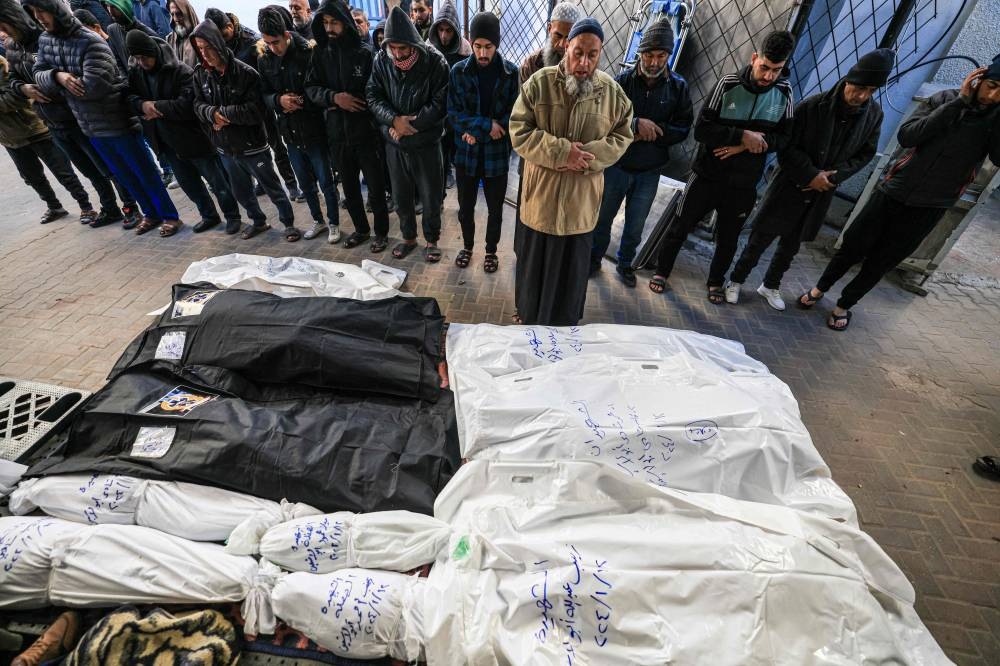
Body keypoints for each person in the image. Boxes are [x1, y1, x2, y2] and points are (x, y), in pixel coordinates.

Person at [800, 56, 1000, 331]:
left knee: (882, 260)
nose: (993, 95)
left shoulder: (995, 118)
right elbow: (908, 136)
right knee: (852, 246)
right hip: (894, 190)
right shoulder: (944, 100)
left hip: (932, 204)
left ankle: (844, 305)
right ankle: (820, 288)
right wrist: (959, 103)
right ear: (977, 79)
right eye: (991, 85)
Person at [727, 49, 890, 310]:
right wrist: (810, 174)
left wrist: (830, 178)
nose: (861, 96)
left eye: (869, 91)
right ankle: (735, 280)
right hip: (789, 185)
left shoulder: (873, 115)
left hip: (822, 190)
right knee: (759, 240)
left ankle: (770, 285)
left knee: (791, 246)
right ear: (848, 80)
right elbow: (786, 145)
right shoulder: (813, 106)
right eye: (858, 88)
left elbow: (865, 154)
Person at [649, 30, 795, 303]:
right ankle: (661, 271)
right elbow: (703, 129)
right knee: (681, 226)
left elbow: (785, 138)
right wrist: (742, 136)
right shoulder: (728, 84)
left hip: (744, 183)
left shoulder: (784, 92)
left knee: (729, 239)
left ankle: (715, 282)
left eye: (776, 70)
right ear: (754, 58)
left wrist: (747, 143)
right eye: (764, 67)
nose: (768, 76)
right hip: (707, 175)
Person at [510, 17, 633, 325]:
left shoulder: (612, 93)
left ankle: (564, 328)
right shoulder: (539, 84)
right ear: (566, 46)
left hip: (580, 205)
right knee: (534, 270)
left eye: (592, 55)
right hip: (541, 201)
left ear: (601, 53)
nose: (584, 62)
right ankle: (528, 318)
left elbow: (623, 135)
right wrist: (563, 152)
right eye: (578, 52)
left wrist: (588, 157)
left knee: (570, 275)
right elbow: (519, 132)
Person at [27, 0, 182, 235]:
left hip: (116, 120)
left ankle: (169, 216)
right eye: (34, 12)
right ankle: (150, 214)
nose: (38, 17)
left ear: (55, 11)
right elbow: (37, 75)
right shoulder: (46, 41)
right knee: (124, 176)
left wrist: (57, 89)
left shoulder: (89, 40)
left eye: (42, 11)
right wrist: (59, 76)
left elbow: (93, 86)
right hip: (89, 126)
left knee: (144, 172)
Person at [0, 0, 135, 227]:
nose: (3, 33)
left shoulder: (45, 39)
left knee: (107, 167)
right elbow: (13, 78)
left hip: (75, 115)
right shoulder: (13, 47)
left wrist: (47, 82)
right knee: (89, 170)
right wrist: (23, 88)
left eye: (5, 26)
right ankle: (109, 208)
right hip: (52, 121)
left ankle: (130, 206)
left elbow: (70, 76)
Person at [590, 18, 693, 287]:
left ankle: (625, 265)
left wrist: (656, 130)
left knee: (635, 225)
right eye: (649, 55)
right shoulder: (622, 82)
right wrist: (635, 124)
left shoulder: (678, 87)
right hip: (617, 165)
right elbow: (603, 119)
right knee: (602, 219)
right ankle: (593, 260)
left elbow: (683, 127)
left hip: (650, 170)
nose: (654, 62)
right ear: (640, 53)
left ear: (669, 55)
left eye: (661, 55)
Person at [190, 18, 299, 240]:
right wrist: (211, 114)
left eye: (208, 47)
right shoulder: (200, 73)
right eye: (200, 49)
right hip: (225, 147)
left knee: (272, 188)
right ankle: (258, 221)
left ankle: (288, 224)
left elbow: (257, 110)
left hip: (252, 146)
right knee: (241, 191)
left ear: (218, 44)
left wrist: (224, 115)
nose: (205, 53)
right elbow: (197, 104)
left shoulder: (246, 73)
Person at [125, 29, 243, 233]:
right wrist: (143, 105)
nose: (141, 61)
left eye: (144, 57)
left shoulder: (180, 71)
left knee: (217, 183)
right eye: (137, 58)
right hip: (165, 141)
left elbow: (187, 106)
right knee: (190, 185)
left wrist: (156, 108)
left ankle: (233, 216)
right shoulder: (137, 72)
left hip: (192, 138)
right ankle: (209, 216)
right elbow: (129, 98)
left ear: (153, 52)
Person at [366, 6, 449, 262]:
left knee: (430, 195)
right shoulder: (382, 59)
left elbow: (440, 102)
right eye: (395, 49)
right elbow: (373, 94)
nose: (399, 54)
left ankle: (432, 240)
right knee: (401, 197)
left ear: (413, 43)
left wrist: (411, 126)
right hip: (395, 141)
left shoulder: (435, 61)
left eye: (404, 49)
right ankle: (408, 238)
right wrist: (393, 121)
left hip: (425, 142)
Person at [307, 0, 390, 251]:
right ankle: (361, 230)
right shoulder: (319, 53)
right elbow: (311, 88)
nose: (330, 28)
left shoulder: (364, 53)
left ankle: (381, 233)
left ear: (344, 22)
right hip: (337, 135)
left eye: (334, 22)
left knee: (376, 189)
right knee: (350, 189)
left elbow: (376, 91)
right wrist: (334, 98)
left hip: (365, 133)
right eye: (325, 23)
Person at [257, 4, 339, 242]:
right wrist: (278, 100)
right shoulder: (264, 58)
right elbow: (263, 94)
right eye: (268, 43)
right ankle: (318, 220)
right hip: (289, 133)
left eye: (276, 42)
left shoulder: (308, 52)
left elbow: (322, 90)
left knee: (326, 180)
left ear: (287, 34)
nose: (273, 47)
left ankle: (333, 222)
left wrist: (302, 100)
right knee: (305, 182)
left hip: (314, 129)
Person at [204, 7, 302, 202]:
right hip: (236, 108)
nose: (219, 40)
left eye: (221, 35)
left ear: (230, 26)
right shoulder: (216, 46)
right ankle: (261, 183)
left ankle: (291, 184)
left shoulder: (252, 42)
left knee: (276, 145)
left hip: (259, 104)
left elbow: (267, 69)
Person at [447, 10, 518, 273]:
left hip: (497, 157)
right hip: (467, 153)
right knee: (465, 207)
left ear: (496, 44)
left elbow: (515, 116)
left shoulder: (511, 74)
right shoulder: (458, 72)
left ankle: (490, 250)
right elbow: (453, 115)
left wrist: (475, 128)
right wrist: (486, 126)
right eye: (477, 46)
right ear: (471, 42)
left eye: (488, 46)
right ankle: (467, 246)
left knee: (495, 209)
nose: (482, 53)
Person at [0, 54, 92, 223]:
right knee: (32, 177)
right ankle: (54, 207)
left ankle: (86, 206)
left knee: (63, 172)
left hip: (34, 129)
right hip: (9, 138)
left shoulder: (1, 65)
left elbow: (16, 97)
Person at [427, 0, 468, 191]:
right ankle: (440, 192)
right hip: (437, 109)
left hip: (457, 110)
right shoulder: (428, 49)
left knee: (456, 151)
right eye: (440, 30)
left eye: (449, 30)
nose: (444, 35)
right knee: (438, 153)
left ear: (456, 31)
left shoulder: (465, 50)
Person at [519, 1, 580, 84]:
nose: (562, 44)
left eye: (569, 38)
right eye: (558, 36)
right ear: (549, 29)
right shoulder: (531, 65)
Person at [165, 0, 198, 68]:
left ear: (188, 14)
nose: (175, 19)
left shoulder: (199, 39)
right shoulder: (169, 39)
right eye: (172, 14)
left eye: (179, 14)